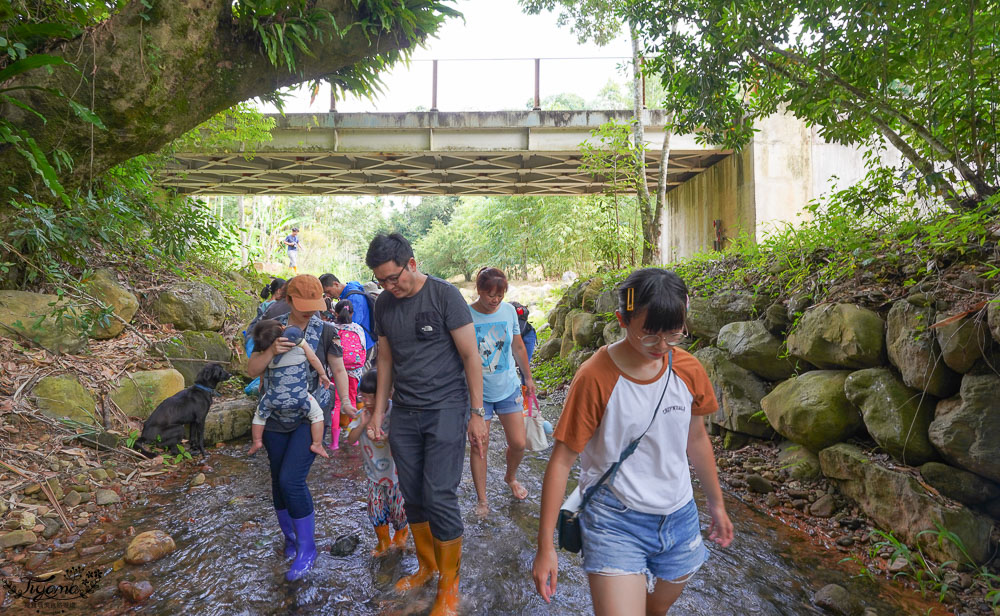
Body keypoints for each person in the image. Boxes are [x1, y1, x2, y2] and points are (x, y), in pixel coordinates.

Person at [531, 268, 734, 615]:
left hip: (680, 515)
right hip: (614, 520)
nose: (662, 346)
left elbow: (696, 438)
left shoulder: (688, 369)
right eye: (649, 335)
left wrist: (716, 504)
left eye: (674, 334)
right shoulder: (595, 377)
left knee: (655, 610)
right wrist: (545, 546)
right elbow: (562, 461)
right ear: (622, 320)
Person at [364, 232, 485, 616]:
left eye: (393, 277)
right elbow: (385, 360)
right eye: (381, 280)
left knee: (439, 495)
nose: (388, 286)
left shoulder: (444, 296)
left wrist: (478, 414)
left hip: (447, 408)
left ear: (411, 264)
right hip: (406, 411)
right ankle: (427, 566)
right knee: (413, 495)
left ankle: (450, 587)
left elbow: (470, 356)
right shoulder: (383, 303)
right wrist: (380, 411)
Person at [247, 275, 357, 582]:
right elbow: (252, 370)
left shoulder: (327, 331)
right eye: (304, 306)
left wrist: (346, 401)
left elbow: (338, 369)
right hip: (274, 413)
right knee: (278, 480)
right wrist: (270, 352)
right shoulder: (271, 323)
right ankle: (291, 539)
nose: (311, 312)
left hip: (312, 415)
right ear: (289, 300)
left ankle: (307, 548)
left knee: (291, 479)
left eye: (316, 306)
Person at [468, 267, 537, 516]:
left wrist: (528, 378)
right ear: (479, 291)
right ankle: (482, 500)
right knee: (479, 445)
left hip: (508, 388)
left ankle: (510, 477)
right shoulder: (466, 315)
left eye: (500, 294)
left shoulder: (508, 311)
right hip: (478, 393)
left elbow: (518, 346)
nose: (495, 299)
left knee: (518, 443)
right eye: (490, 294)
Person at [346, 369, 409, 556]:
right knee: (376, 509)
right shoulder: (361, 414)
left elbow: (406, 438)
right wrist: (363, 424)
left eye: (372, 397)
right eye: (363, 397)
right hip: (374, 475)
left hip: (397, 475)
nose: (367, 402)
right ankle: (383, 542)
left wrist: (388, 437)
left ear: (385, 394)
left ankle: (401, 536)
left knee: (399, 510)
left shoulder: (395, 412)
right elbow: (350, 439)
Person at [248, 319, 330, 461]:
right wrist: (323, 374)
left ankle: (256, 441)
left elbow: (262, 372)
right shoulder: (298, 343)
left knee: (259, 417)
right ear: (282, 329)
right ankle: (317, 444)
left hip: (273, 398)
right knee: (317, 415)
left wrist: (262, 381)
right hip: (300, 395)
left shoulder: (267, 353)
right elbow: (313, 359)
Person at [329, 299, 366, 448]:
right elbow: (363, 348)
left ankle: (334, 443)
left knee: (336, 404)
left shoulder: (331, 328)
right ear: (352, 313)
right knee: (351, 401)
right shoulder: (358, 328)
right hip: (353, 371)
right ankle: (354, 439)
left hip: (335, 370)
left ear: (335, 313)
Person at [320, 273, 375, 355]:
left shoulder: (353, 298)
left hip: (362, 345)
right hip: (358, 342)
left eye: (328, 291)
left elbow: (352, 324)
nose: (328, 295)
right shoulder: (350, 289)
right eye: (325, 293)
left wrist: (335, 322)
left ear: (336, 284)